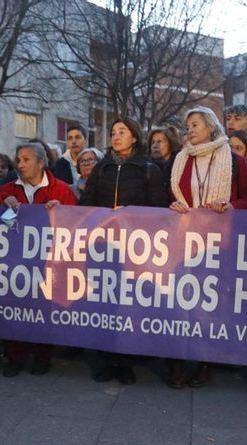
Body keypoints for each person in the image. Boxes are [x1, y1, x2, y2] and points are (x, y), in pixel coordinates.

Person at [169, 106, 247, 388]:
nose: (190, 130)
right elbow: (171, 197)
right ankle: (181, 362)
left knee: (210, 304)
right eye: (187, 126)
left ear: (211, 127)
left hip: (219, 242)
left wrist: (231, 205)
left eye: (195, 124)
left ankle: (205, 363)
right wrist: (173, 206)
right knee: (182, 302)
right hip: (185, 242)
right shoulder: (181, 160)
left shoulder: (234, 160)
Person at [78, 118, 167, 384]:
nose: (115, 136)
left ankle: (125, 363)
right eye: (113, 132)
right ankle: (106, 360)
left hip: (134, 248)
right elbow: (86, 203)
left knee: (128, 306)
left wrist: (129, 214)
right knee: (102, 304)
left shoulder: (149, 168)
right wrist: (103, 215)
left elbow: (158, 208)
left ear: (134, 137)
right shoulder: (101, 168)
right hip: (102, 247)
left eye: (122, 132)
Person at [0, 142, 77, 376]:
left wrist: (62, 213)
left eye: (26, 159)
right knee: (16, 309)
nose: (21, 164)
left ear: (41, 163)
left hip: (49, 263)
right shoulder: (8, 191)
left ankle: (43, 357)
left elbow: (76, 224)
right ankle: (15, 358)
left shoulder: (61, 191)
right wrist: (5, 209)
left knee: (44, 309)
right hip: (16, 262)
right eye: (18, 160)